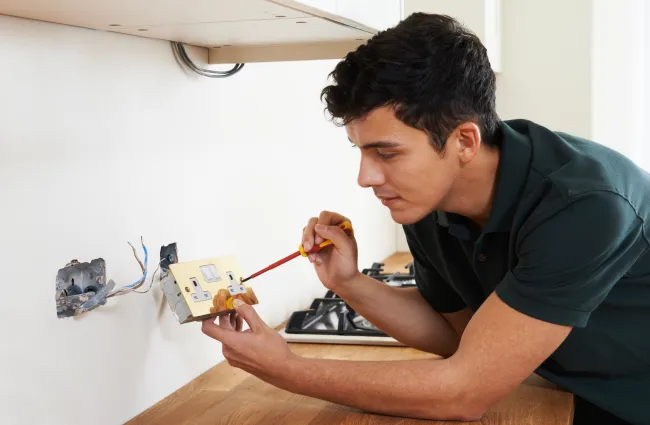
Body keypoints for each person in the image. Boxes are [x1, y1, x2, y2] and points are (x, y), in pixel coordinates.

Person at [201, 12, 650, 425]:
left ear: (464, 141)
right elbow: (458, 333)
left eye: (387, 152)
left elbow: (464, 393)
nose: (366, 177)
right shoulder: (429, 200)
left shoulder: (582, 204)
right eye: (361, 150)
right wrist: (349, 283)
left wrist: (286, 368)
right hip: (572, 388)